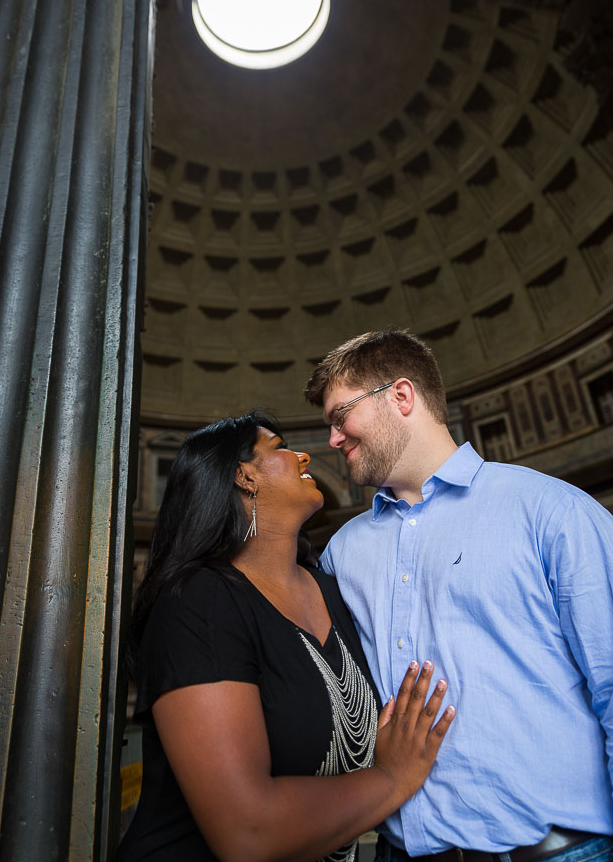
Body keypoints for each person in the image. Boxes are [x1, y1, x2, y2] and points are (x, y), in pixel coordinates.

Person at [304, 327, 613, 862]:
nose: (332, 439)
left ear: (401, 396)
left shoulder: (551, 511)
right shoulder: (341, 554)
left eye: (340, 416)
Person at [117, 410, 455, 862]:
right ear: (244, 476)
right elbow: (247, 832)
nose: (302, 456)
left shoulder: (334, 590)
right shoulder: (199, 601)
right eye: (279, 448)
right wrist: (393, 777)